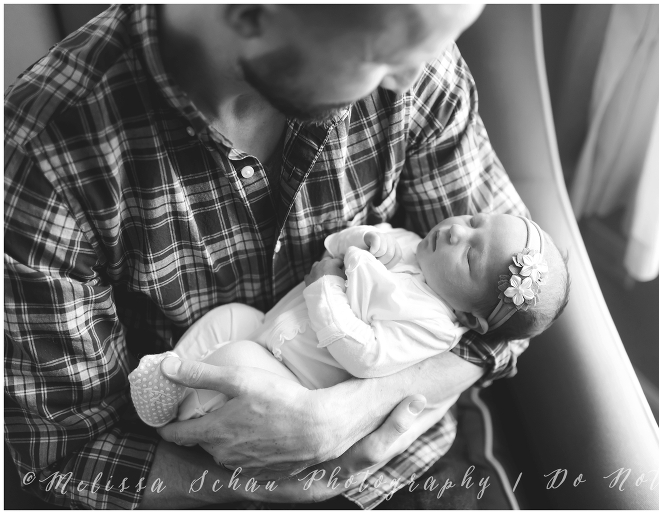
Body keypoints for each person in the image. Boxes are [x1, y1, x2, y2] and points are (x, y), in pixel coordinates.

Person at [5, 4, 530, 509]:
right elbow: (60, 458)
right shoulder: (43, 159)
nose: (407, 75)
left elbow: (514, 304)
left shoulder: (418, 63)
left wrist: (347, 412)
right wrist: (271, 488)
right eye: (379, 57)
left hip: (406, 465)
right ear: (251, 17)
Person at [129, 214, 569, 427]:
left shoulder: (433, 326)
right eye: (475, 221)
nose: (458, 232)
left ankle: (181, 419)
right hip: (269, 326)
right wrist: (366, 239)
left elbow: (365, 355)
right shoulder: (411, 245)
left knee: (235, 357)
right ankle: (168, 377)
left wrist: (326, 285)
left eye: (471, 255)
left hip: (289, 376)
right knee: (230, 318)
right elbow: (338, 242)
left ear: (472, 319)